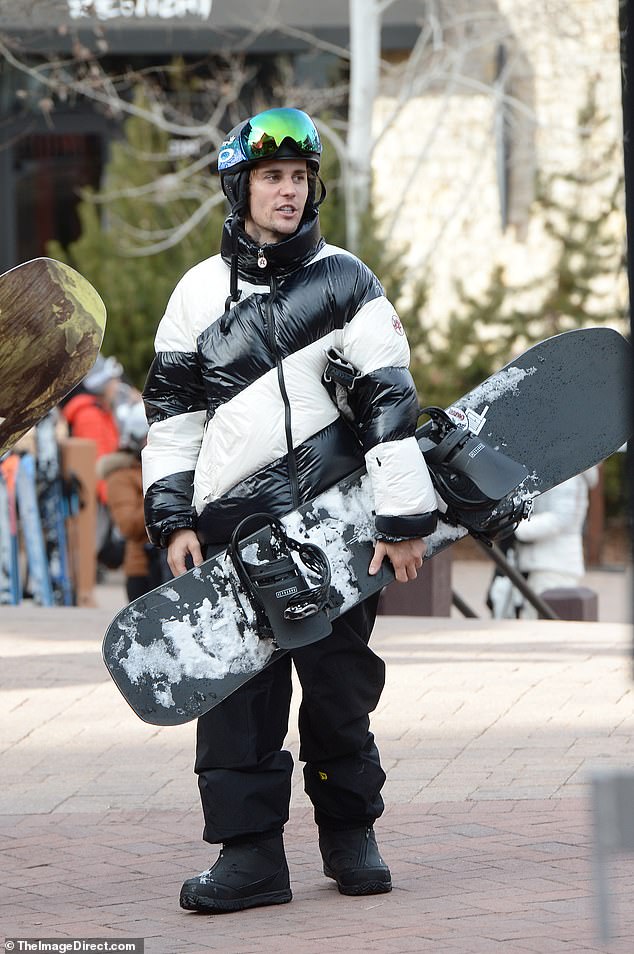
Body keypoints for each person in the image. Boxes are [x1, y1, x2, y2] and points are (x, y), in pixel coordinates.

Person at [141, 107, 439, 914]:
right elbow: (172, 421)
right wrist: (174, 522)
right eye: (272, 177)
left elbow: (389, 401)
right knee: (239, 700)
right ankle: (250, 861)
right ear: (241, 187)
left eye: (300, 178)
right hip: (234, 529)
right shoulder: (197, 294)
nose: (288, 191)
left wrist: (403, 520)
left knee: (341, 691)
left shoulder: (347, 279)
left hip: (337, 523)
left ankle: (352, 838)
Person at [513, 468, 598, 618]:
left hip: (553, 566)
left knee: (542, 623)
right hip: (546, 562)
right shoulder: (563, 469)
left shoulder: (566, 474)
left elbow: (561, 518)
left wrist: (516, 529)